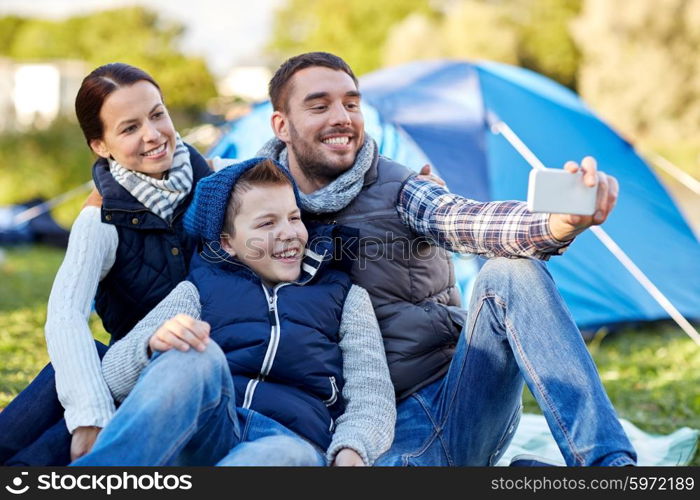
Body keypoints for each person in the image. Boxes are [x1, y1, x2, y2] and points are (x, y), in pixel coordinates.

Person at [249, 51, 637, 466]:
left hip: (453, 400)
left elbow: (465, 220)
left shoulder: (400, 187)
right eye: (320, 105)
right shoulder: (252, 206)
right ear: (281, 125)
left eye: (352, 103)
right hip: (351, 433)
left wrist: (555, 223)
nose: (342, 117)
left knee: (511, 272)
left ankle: (609, 468)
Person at [72, 158, 395, 466]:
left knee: (280, 454)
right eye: (267, 223)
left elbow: (372, 392)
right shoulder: (198, 290)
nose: (289, 233)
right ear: (227, 242)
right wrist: (151, 344)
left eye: (294, 217)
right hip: (212, 431)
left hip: (295, 443)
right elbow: (112, 377)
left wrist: (354, 447)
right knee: (192, 351)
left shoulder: (344, 296)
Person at [0, 63, 212, 465]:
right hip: (131, 367)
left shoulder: (215, 184)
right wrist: (89, 417)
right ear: (101, 146)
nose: (152, 135)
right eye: (129, 128)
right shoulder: (99, 217)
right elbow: (65, 315)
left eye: (157, 114)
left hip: (199, 365)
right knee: (90, 381)